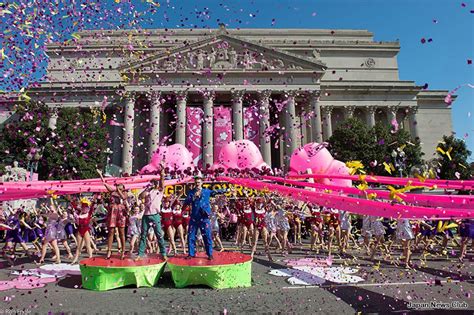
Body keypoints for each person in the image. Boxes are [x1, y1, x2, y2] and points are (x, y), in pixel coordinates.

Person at [183, 175, 230, 260]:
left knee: (207, 235)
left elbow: (216, 191)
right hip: (194, 217)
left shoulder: (206, 191)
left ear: (202, 183)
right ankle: (191, 253)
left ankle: (210, 254)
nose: (197, 184)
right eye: (196, 182)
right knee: (191, 236)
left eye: (199, 182)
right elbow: (186, 202)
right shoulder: (191, 192)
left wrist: (227, 190)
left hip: (204, 217)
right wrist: (194, 197)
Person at [135, 163, 168, 260]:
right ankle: (140, 254)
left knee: (159, 234)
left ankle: (163, 253)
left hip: (155, 215)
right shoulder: (147, 191)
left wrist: (162, 173)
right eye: (151, 183)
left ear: (156, 185)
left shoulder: (159, 191)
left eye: (154, 184)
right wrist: (146, 190)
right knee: (143, 235)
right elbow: (140, 196)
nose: (152, 185)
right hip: (146, 215)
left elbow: (162, 181)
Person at [97, 169, 129, 259]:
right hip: (112, 213)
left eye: (120, 185)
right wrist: (101, 175)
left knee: (121, 232)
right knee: (111, 232)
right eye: (118, 185)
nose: (118, 186)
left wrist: (118, 190)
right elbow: (104, 183)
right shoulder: (112, 191)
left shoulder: (125, 193)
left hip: (121, 213)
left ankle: (123, 251)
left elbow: (123, 197)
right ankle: (109, 251)